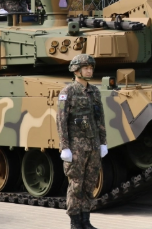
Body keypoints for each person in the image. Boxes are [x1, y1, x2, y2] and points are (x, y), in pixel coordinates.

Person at [57, 55, 108, 229]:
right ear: (76, 70)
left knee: (89, 184)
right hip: (76, 147)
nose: (89, 71)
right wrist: (65, 147)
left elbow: (100, 119)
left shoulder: (94, 91)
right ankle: (75, 222)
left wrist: (103, 142)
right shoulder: (68, 92)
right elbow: (61, 120)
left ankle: (86, 220)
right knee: (76, 185)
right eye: (86, 68)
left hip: (93, 146)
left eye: (91, 68)